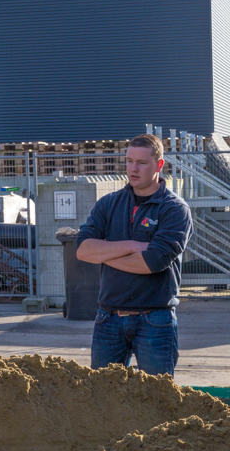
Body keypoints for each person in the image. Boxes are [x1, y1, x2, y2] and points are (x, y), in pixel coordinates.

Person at [75, 133, 192, 376]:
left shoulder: (174, 209)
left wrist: (105, 252)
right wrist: (132, 244)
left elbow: (153, 262)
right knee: (103, 395)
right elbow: (84, 250)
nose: (133, 169)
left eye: (141, 162)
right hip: (108, 318)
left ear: (159, 165)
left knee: (157, 399)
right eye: (129, 161)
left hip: (155, 320)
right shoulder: (109, 204)